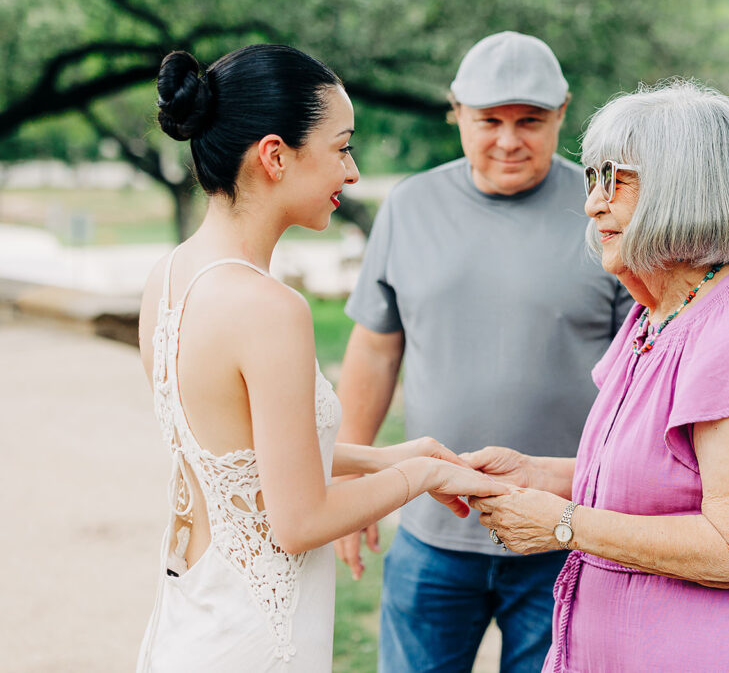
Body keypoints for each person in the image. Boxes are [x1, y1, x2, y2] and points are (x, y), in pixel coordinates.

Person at [135, 44, 505, 672]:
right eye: (341, 147)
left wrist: (390, 456)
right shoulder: (270, 309)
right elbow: (299, 519)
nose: (353, 172)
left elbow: (241, 457)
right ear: (275, 155)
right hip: (253, 642)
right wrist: (426, 478)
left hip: (191, 625)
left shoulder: (169, 276)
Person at [466, 79, 729, 672]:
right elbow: (660, 483)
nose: (592, 204)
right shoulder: (654, 312)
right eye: (592, 180)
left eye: (616, 181)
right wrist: (541, 474)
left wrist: (563, 524)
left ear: (682, 189)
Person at [335, 32, 634, 672]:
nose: (508, 140)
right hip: (430, 534)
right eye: (488, 121)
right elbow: (375, 350)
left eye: (530, 121)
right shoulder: (410, 206)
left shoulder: (604, 212)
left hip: (566, 529)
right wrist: (353, 481)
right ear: (456, 113)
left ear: (562, 114)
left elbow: (639, 375)